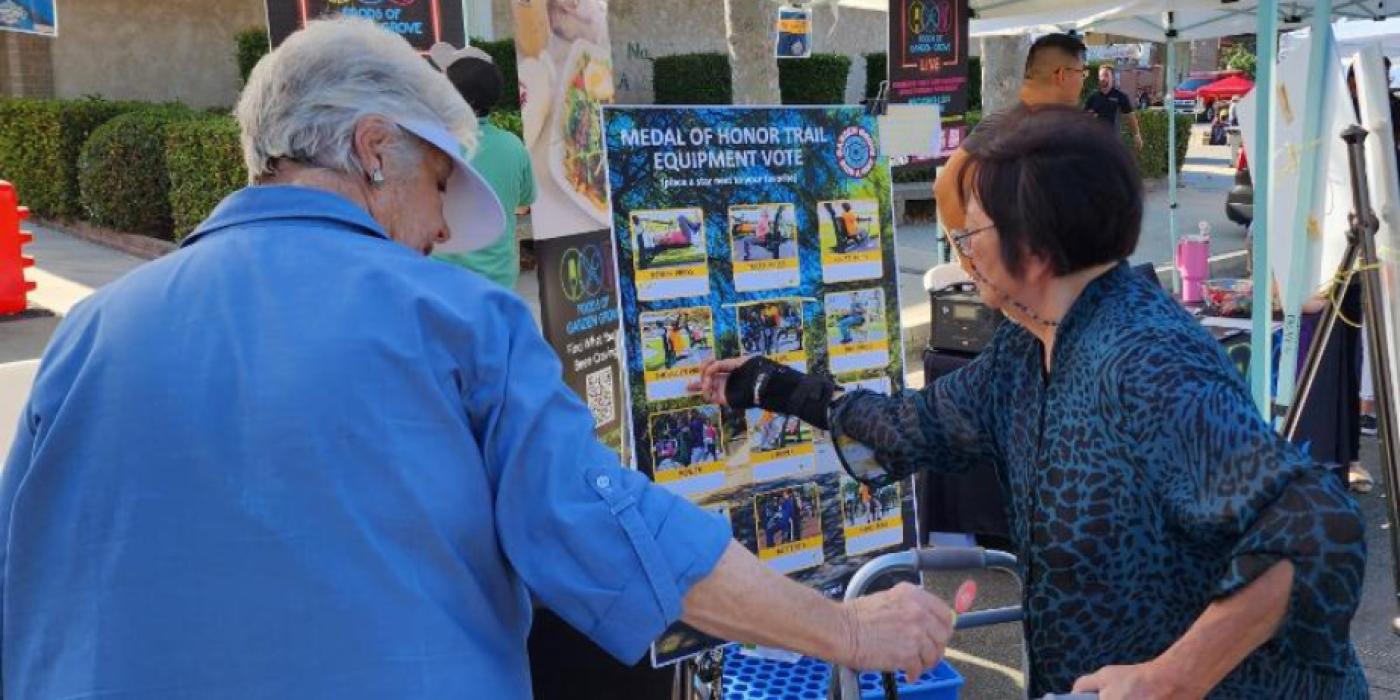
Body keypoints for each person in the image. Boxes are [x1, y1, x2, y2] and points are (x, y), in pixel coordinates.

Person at [0, 19, 957, 698]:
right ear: (375, 148)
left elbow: (25, 569)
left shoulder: (93, 329)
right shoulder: (456, 319)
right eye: (440, 182)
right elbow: (608, 535)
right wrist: (845, 629)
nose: (437, 232)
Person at [691, 107, 1368, 698]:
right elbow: (913, 426)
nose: (960, 252)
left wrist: (1171, 679)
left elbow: (1316, 530)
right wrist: (770, 385)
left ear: (1037, 248)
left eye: (971, 232)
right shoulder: (1026, 349)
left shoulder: (1146, 359)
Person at [932, 33, 1088, 238]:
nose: (1083, 80)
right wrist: (968, 253)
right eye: (1081, 72)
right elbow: (945, 187)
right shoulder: (1005, 123)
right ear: (1062, 75)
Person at [428, 43, 535, 290]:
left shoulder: (431, 144)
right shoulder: (513, 145)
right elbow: (525, 202)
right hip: (498, 281)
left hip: (441, 282)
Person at [1084, 64, 1144, 150]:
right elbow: (1084, 117)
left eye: (1106, 75)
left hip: (1113, 141)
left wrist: (1136, 135)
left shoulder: (1120, 96)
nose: (1103, 78)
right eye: (1101, 75)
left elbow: (1130, 117)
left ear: (1113, 78)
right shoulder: (1093, 97)